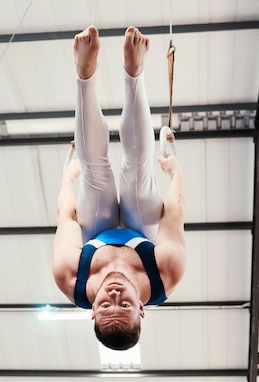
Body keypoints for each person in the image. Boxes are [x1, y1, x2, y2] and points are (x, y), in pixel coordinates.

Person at [52, 25, 186, 351]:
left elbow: (67, 218)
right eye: (124, 305)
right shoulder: (166, 273)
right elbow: (174, 213)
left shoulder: (71, 277)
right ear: (142, 308)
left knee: (96, 176)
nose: (113, 296)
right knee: (138, 176)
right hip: (143, 231)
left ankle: (85, 76)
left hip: (95, 232)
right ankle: (134, 73)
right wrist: (177, 172)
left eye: (104, 307)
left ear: (91, 312)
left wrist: (67, 179)